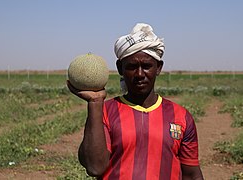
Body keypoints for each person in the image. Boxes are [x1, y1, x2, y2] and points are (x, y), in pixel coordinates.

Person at [67, 23, 204, 180]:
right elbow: (95, 167)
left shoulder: (181, 116)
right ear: (120, 68)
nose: (139, 74)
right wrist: (95, 102)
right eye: (132, 66)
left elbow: (192, 174)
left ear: (158, 68)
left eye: (146, 66)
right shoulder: (104, 111)